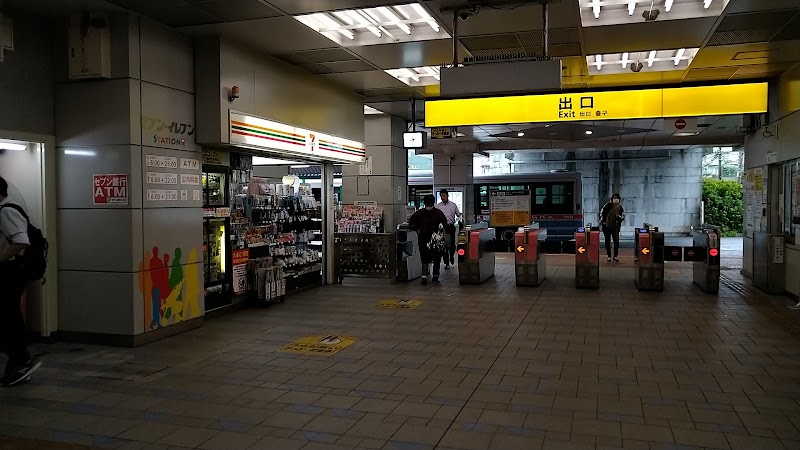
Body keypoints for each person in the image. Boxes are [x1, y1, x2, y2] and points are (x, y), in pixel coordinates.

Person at [0, 177, 41, 386]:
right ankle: (17, 363)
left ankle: (21, 358)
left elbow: (21, 241)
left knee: (8, 315)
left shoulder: (6, 211)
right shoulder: (6, 209)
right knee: (8, 315)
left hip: (10, 271)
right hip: (11, 271)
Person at [408, 194, 448, 284]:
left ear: (424, 203)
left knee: (424, 256)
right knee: (437, 256)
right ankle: (435, 275)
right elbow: (445, 223)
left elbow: (411, 223)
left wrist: (417, 229)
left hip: (423, 238)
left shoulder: (419, 213)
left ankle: (424, 275)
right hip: (436, 238)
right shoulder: (438, 213)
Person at [435, 189, 461, 269]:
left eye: (444, 196)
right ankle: (446, 262)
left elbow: (458, 214)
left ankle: (451, 256)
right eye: (441, 196)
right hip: (442, 227)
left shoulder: (453, 205)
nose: (443, 197)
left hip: (451, 226)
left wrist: (459, 220)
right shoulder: (438, 206)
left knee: (452, 244)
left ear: (447, 196)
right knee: (444, 245)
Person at [600, 193, 625, 262]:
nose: (616, 200)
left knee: (616, 241)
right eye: (614, 198)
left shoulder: (620, 208)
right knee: (607, 241)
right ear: (612, 199)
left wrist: (619, 217)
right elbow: (602, 214)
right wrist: (603, 221)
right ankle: (609, 255)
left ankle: (615, 256)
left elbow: (622, 217)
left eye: (617, 198)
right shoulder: (607, 206)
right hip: (606, 226)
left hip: (616, 227)